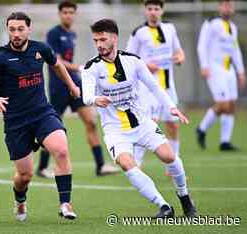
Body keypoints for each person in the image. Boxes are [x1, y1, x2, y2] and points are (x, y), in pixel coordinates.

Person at [81, 19, 197, 217]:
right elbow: (86, 95)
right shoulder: (91, 67)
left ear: (114, 38)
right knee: (127, 163)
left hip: (142, 123)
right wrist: (94, 99)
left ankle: (184, 196)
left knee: (169, 157)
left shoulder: (133, 61)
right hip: (115, 130)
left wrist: (171, 107)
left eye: (103, 39)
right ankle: (163, 206)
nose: (99, 44)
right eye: (96, 40)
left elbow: (154, 86)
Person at [0, 12, 79, 221]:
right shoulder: (0, 56)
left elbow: (58, 65)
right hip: (16, 122)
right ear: (8, 30)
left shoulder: (40, 49)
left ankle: (65, 203)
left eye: (20, 29)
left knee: (61, 150)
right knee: (25, 176)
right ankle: (20, 200)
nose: (16, 34)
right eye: (12, 29)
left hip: (42, 113)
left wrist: (72, 86)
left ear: (29, 29)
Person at [36, 0, 119, 179]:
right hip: (59, 86)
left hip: (75, 84)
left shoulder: (72, 34)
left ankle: (100, 165)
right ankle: (42, 167)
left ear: (75, 14)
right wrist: (78, 67)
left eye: (71, 12)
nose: (68, 15)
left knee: (91, 122)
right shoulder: (53, 34)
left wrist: (77, 72)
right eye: (65, 12)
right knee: (52, 128)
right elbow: (56, 61)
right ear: (60, 14)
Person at [126, 0, 185, 170]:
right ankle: (137, 164)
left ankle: (173, 165)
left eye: (156, 9)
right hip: (147, 89)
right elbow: (129, 59)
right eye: (150, 9)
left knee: (173, 124)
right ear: (145, 11)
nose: (153, 12)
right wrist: (145, 64)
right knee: (148, 123)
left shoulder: (170, 29)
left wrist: (180, 58)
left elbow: (179, 51)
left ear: (162, 10)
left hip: (167, 86)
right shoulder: (139, 33)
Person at [196, 0, 245, 151]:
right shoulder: (211, 23)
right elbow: (202, 45)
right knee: (223, 104)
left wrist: (241, 71)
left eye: (230, 5)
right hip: (215, 69)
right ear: (219, 7)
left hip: (229, 70)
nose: (227, 8)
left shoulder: (233, 27)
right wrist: (204, 65)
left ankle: (225, 142)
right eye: (224, 5)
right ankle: (202, 128)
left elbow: (235, 51)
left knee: (230, 106)